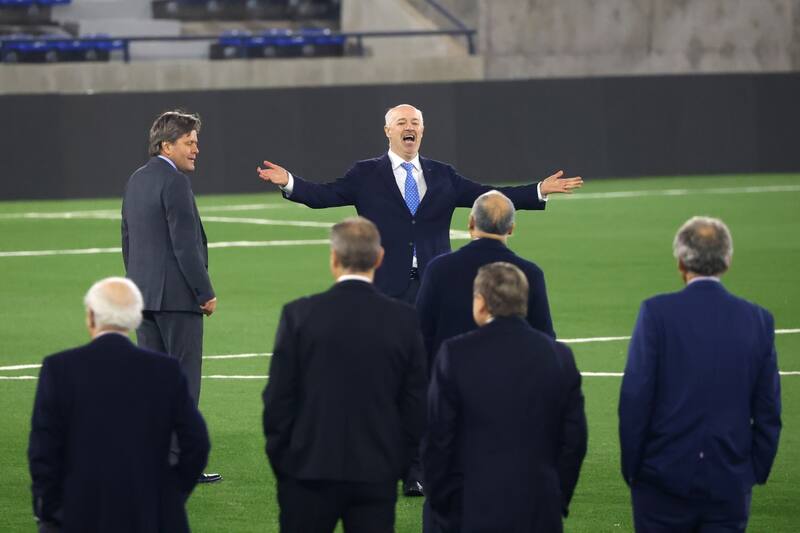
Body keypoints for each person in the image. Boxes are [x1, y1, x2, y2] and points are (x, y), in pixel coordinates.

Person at [257, 103, 583, 304]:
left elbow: (490, 196)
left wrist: (539, 189)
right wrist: (289, 181)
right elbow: (323, 196)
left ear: (423, 131)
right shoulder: (366, 174)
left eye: (414, 123)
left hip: (435, 282)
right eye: (401, 122)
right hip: (385, 285)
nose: (409, 127)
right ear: (388, 131)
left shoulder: (443, 175)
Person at [262, 217, 428, 533]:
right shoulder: (403, 320)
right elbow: (416, 404)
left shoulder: (299, 315)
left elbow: (278, 401)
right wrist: (399, 463)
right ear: (380, 258)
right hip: (375, 472)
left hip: (308, 472)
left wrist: (284, 463)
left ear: (334, 259)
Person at [619, 216, 782, 532]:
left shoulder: (656, 314)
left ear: (681, 262)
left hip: (661, 481)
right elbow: (769, 410)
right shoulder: (757, 320)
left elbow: (635, 399)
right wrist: (752, 472)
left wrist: (634, 471)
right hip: (729, 482)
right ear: (727, 260)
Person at [28, 277, 210, 533]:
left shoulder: (59, 369)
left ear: (91, 317)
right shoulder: (166, 371)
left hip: (78, 514)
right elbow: (196, 443)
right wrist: (170, 494)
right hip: (153, 515)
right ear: (135, 318)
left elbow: (43, 452)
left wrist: (49, 512)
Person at [422, 262, 587, 533]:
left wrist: (442, 499)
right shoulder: (559, 357)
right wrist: (556, 495)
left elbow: (437, 436)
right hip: (538, 505)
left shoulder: (455, 354)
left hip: (470, 506)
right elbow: (574, 440)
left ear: (481, 303)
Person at [121, 109, 220, 483]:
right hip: (178, 301)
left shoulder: (135, 180)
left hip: (143, 299)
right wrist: (204, 291)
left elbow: (127, 239)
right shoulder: (174, 182)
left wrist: (137, 288)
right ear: (167, 145)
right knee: (182, 383)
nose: (196, 149)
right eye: (190, 143)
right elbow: (185, 245)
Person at [416, 189, 555, 366]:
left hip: (450, 380)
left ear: (471, 222)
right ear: (511, 228)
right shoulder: (531, 273)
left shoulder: (439, 269)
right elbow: (544, 339)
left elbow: (421, 333)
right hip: (510, 381)